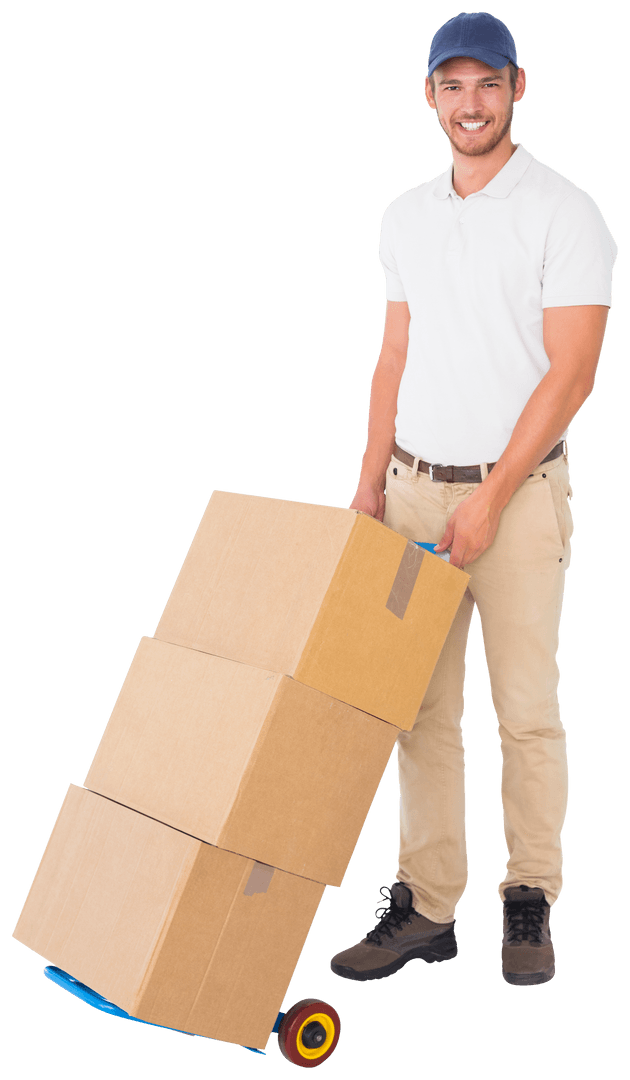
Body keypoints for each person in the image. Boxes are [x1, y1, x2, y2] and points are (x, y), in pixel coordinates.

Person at [328, 11, 617, 988]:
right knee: (417, 712)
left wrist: (491, 498)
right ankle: (429, 906)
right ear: (430, 97)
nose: (470, 103)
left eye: (487, 84)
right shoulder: (405, 215)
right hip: (412, 494)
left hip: (520, 503)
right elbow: (395, 352)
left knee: (527, 709)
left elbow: (572, 372)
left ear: (518, 89)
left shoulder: (565, 211)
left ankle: (528, 897)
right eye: (452, 86)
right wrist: (371, 478)